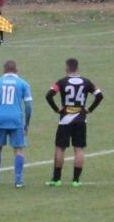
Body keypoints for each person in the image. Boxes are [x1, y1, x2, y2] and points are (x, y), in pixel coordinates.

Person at [44, 58, 104, 187]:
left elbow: (49, 95)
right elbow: (99, 95)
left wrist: (56, 109)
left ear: (67, 69)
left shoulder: (62, 82)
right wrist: (89, 109)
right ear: (78, 67)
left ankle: (56, 179)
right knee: (79, 149)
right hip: (81, 119)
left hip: (65, 119)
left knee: (60, 148)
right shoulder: (86, 82)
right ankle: (76, 180)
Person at [0, 60, 33, 187]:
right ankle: (18, 181)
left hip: (0, 119)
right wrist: (26, 123)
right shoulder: (23, 83)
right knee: (18, 150)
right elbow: (28, 106)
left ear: (4, 70)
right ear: (16, 70)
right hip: (16, 120)